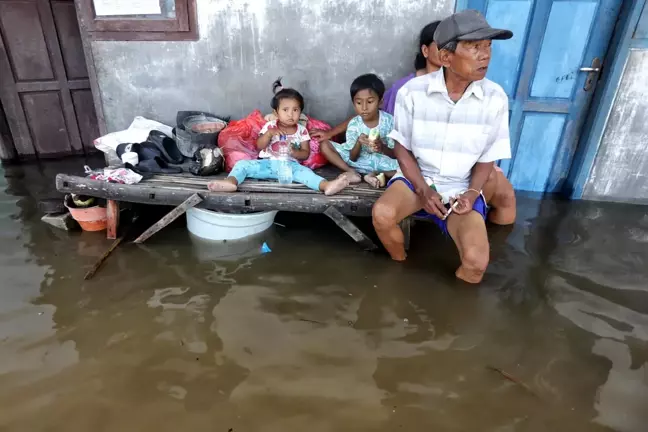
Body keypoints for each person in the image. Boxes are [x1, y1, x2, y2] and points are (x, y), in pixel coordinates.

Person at [372, 10, 517, 284]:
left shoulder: (495, 98)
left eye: (488, 47)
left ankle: (452, 317)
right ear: (446, 57)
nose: (485, 55)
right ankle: (400, 267)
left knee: (476, 264)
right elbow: (401, 148)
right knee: (382, 215)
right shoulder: (412, 92)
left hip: (462, 185)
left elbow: (488, 157)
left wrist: (473, 193)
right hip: (418, 179)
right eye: (474, 47)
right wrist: (424, 189)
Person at [208, 79, 350, 195]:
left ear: (300, 112)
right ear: (276, 112)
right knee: (242, 165)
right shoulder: (270, 126)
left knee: (307, 173)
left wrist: (295, 152)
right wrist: (269, 134)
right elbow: (259, 146)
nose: (290, 114)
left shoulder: (301, 131)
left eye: (295, 110)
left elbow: (305, 154)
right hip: (267, 165)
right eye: (285, 110)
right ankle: (231, 182)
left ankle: (326, 186)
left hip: (290, 167)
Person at [310, 20, 442, 145]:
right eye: (441, 45)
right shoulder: (404, 88)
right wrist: (330, 133)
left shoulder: (457, 86)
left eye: (452, 45)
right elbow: (368, 114)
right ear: (425, 50)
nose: (448, 51)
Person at [319, 74, 399, 188]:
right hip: (358, 161)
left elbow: (394, 154)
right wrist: (358, 143)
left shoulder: (389, 121)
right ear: (353, 103)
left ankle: (371, 175)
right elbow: (352, 157)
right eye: (359, 103)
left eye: (370, 102)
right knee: (324, 145)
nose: (364, 108)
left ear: (380, 102)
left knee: (404, 169)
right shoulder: (354, 124)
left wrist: (381, 146)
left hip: (382, 162)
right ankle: (351, 171)